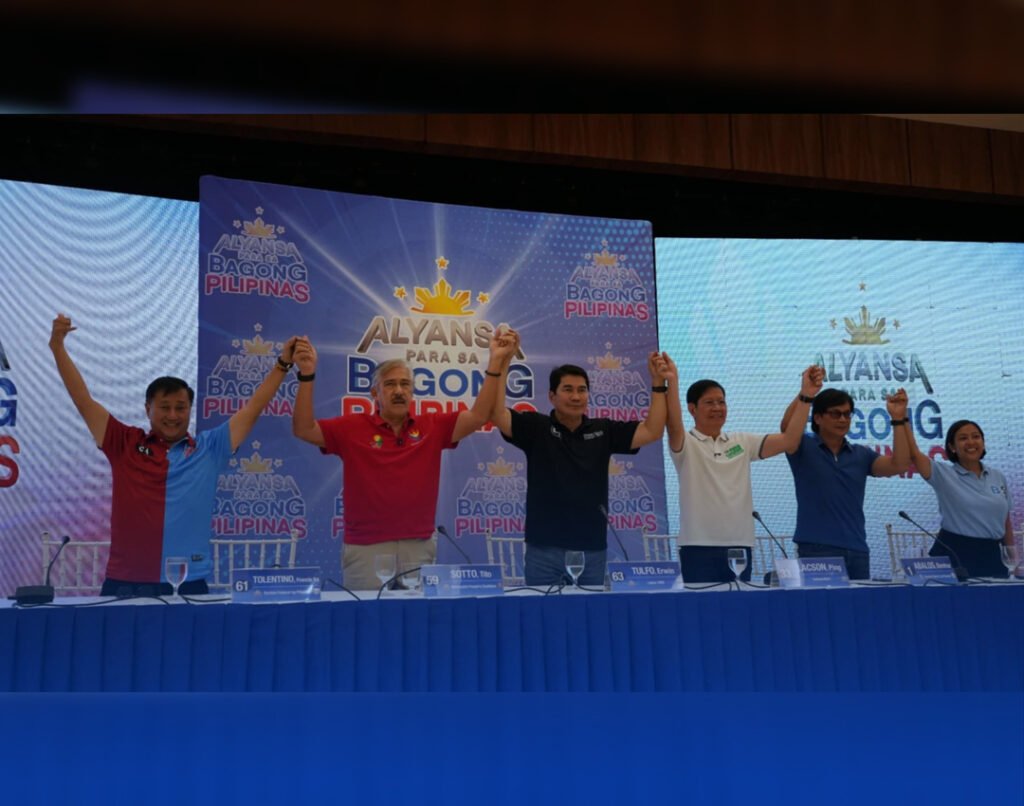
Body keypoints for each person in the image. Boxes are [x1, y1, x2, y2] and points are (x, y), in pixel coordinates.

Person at [49, 313, 298, 597]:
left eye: (180, 407)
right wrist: (57, 346)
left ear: (190, 410)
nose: (172, 415)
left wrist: (283, 364)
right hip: (125, 583)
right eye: (164, 407)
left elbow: (253, 407)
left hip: (189, 584)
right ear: (148, 409)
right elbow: (83, 399)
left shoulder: (210, 448)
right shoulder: (123, 442)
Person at [291, 328, 520, 590]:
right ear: (375, 394)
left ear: (412, 391)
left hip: (418, 547)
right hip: (367, 549)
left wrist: (495, 361)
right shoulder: (351, 427)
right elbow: (303, 429)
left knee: (417, 616)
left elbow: (479, 416)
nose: (399, 391)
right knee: (370, 615)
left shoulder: (432, 426)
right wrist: (306, 374)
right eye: (390, 384)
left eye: (405, 384)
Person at [489, 349, 673, 587]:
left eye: (582, 390)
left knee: (589, 611)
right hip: (544, 551)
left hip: (591, 551)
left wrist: (658, 383)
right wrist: (501, 363)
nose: (576, 397)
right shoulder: (536, 427)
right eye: (568, 390)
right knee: (542, 611)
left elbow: (652, 431)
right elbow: (497, 414)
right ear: (552, 396)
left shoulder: (603, 430)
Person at [667, 365, 823, 584]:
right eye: (709, 402)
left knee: (739, 605)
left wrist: (806, 396)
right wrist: (671, 380)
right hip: (698, 547)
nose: (717, 408)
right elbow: (673, 425)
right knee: (703, 606)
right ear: (692, 409)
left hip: (740, 546)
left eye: (721, 402)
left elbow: (789, 441)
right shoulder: (686, 443)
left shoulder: (741, 442)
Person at [780, 386, 911, 580]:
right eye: (835, 414)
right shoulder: (803, 447)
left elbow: (899, 465)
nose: (843, 419)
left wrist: (898, 419)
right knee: (823, 601)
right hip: (817, 548)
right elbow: (786, 428)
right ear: (817, 418)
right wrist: (806, 393)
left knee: (859, 601)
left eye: (847, 414)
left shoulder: (861, 454)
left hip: (857, 549)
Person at [903, 414, 1015, 578]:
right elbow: (914, 454)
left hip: (992, 556)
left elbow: (1005, 520)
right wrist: (900, 419)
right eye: (963, 438)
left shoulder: (997, 476)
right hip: (955, 554)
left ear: (983, 443)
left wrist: (1013, 558)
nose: (971, 442)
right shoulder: (943, 474)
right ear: (952, 447)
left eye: (976, 437)